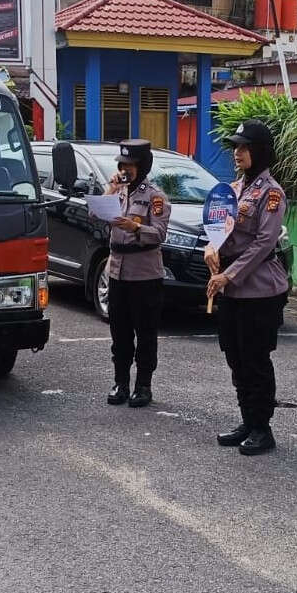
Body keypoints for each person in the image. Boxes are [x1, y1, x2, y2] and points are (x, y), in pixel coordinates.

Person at [205, 120, 289, 455]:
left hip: (259, 290)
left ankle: (262, 427)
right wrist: (210, 250)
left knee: (255, 359)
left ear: (260, 151)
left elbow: (264, 243)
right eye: (235, 147)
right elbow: (218, 230)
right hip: (231, 288)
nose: (237, 153)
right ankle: (247, 419)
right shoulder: (233, 189)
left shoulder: (271, 193)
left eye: (244, 147)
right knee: (235, 356)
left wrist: (229, 275)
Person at [103, 138, 171, 408]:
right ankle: (121, 382)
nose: (125, 169)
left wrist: (134, 227)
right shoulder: (117, 192)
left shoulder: (155, 197)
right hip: (117, 272)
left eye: (130, 165)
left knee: (145, 333)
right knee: (119, 332)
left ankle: (143, 385)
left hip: (145, 274)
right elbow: (94, 212)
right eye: (122, 164)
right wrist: (110, 189)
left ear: (142, 167)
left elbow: (160, 233)